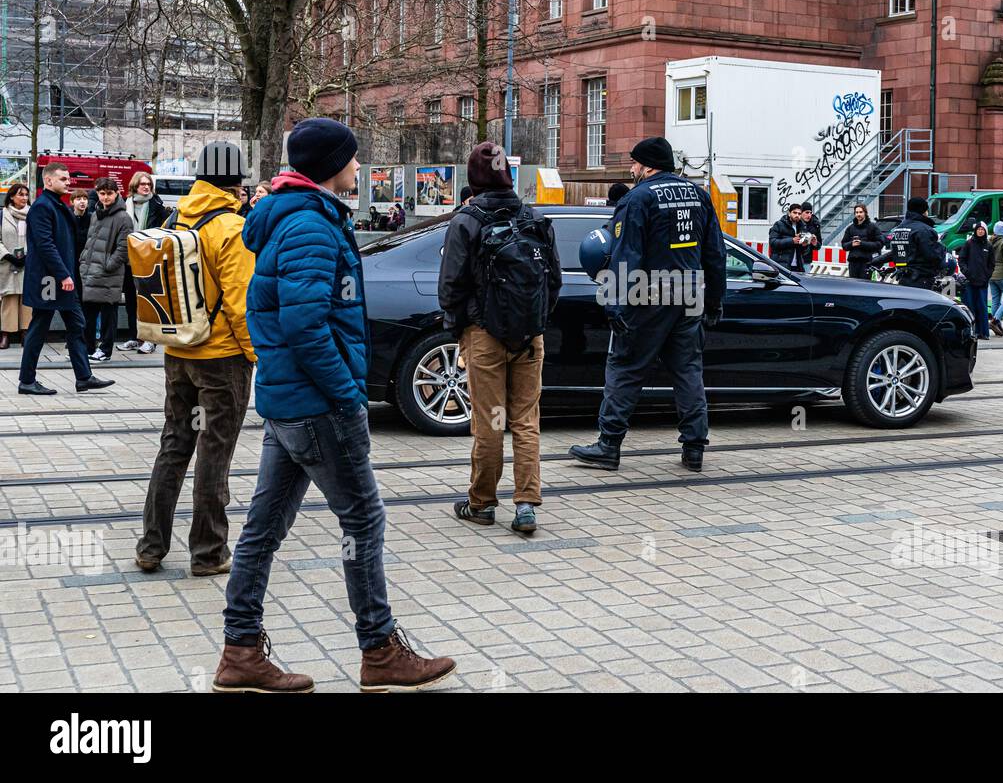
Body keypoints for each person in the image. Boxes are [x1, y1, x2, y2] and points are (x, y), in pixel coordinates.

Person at [217, 118, 454, 693]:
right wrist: (347, 394)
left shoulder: (300, 217)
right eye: (351, 158)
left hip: (289, 402)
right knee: (363, 520)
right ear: (330, 166)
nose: (358, 166)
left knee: (263, 528)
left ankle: (240, 650)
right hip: (317, 406)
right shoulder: (310, 227)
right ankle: (379, 649)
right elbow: (304, 323)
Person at [136, 142, 259, 577]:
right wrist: (254, 354)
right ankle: (208, 552)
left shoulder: (177, 216)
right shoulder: (230, 227)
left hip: (177, 351)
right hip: (221, 358)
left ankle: (151, 545)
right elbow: (242, 305)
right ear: (237, 182)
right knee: (214, 452)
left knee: (174, 444)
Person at [569, 136, 726, 473]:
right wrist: (714, 300)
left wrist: (614, 307)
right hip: (689, 293)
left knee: (625, 367)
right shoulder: (700, 196)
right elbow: (715, 253)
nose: (631, 168)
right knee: (687, 371)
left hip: (648, 294)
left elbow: (627, 256)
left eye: (634, 163)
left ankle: (608, 445)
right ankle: (694, 448)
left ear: (647, 165)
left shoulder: (637, 199)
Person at [440, 142, 562, 533]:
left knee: (490, 421)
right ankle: (526, 504)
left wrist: (462, 329)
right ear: (508, 173)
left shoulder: (466, 220)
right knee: (526, 420)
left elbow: (451, 287)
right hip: (529, 337)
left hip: (484, 337)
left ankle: (482, 503)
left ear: (473, 177)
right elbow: (554, 280)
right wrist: (536, 320)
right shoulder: (534, 218)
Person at [16, 163, 112, 396]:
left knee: (77, 325)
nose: (69, 182)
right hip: (50, 280)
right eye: (63, 179)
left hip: (62, 280)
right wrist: (63, 275)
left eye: (69, 179)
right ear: (48, 181)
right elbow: (45, 245)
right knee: (39, 328)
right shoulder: (42, 207)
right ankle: (26, 381)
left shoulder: (57, 204)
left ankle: (84, 377)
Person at [79, 178, 132, 363]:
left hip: (109, 274)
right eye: (102, 193)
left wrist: (108, 265)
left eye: (109, 193)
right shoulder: (95, 214)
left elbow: (124, 248)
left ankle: (105, 350)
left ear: (116, 193)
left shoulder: (123, 217)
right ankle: (88, 348)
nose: (106, 197)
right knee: (89, 313)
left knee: (109, 314)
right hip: (91, 271)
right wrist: (84, 261)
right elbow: (90, 241)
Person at [116, 171, 167, 355]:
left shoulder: (157, 206)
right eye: (142, 184)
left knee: (148, 300)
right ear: (134, 186)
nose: (146, 187)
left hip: (149, 259)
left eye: (148, 184)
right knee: (131, 300)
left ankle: (150, 340)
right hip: (129, 259)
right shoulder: (124, 204)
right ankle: (133, 337)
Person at [888, 196, 944, 290]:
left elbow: (896, 252)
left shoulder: (898, 229)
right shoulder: (924, 230)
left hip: (903, 277)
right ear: (924, 211)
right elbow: (932, 255)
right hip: (921, 278)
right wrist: (942, 248)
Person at [1, 183, 32, 350]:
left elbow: (37, 237)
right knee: (9, 299)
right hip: (7, 263)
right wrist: (7, 255)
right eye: (21, 194)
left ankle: (26, 334)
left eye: (26, 195)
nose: (24, 198)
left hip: (28, 263)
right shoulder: (2, 215)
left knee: (27, 300)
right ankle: (5, 334)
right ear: (12, 196)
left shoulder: (32, 214)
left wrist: (28, 255)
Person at [957, 221, 993, 340]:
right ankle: (972, 332)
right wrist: (967, 272)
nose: (980, 231)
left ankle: (984, 332)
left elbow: (992, 263)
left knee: (982, 307)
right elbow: (961, 259)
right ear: (975, 231)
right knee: (970, 307)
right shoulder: (969, 244)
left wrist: (987, 275)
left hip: (982, 282)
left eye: (983, 230)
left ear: (985, 231)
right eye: (979, 229)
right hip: (970, 282)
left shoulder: (988, 245)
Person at [841, 203, 883, 279]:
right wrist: (851, 244)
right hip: (853, 262)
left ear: (865, 213)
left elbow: (879, 244)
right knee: (853, 286)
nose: (858, 214)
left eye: (861, 212)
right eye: (856, 212)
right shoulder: (850, 228)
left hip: (867, 263)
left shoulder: (873, 227)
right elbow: (844, 245)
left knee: (865, 287)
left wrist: (862, 244)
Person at [768, 203, 809, 271]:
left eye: (799, 214)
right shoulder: (779, 224)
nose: (797, 215)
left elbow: (804, 252)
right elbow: (772, 242)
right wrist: (792, 241)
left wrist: (805, 245)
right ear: (789, 213)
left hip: (798, 266)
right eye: (794, 213)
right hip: (781, 266)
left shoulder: (802, 227)